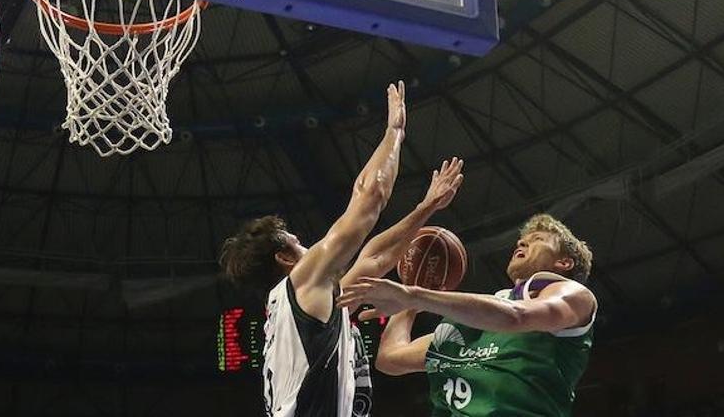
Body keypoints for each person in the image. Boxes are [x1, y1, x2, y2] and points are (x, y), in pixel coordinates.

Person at [219, 80, 464, 417]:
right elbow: (369, 198)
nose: (308, 246)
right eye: (297, 241)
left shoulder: (301, 310)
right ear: (285, 258)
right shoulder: (303, 281)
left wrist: (426, 208)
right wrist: (395, 132)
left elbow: (374, 260)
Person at [338, 214, 597, 417]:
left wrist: (413, 294)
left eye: (538, 239)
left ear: (564, 263)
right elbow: (391, 359)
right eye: (522, 239)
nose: (522, 242)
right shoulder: (465, 322)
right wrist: (412, 295)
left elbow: (516, 316)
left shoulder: (575, 296)